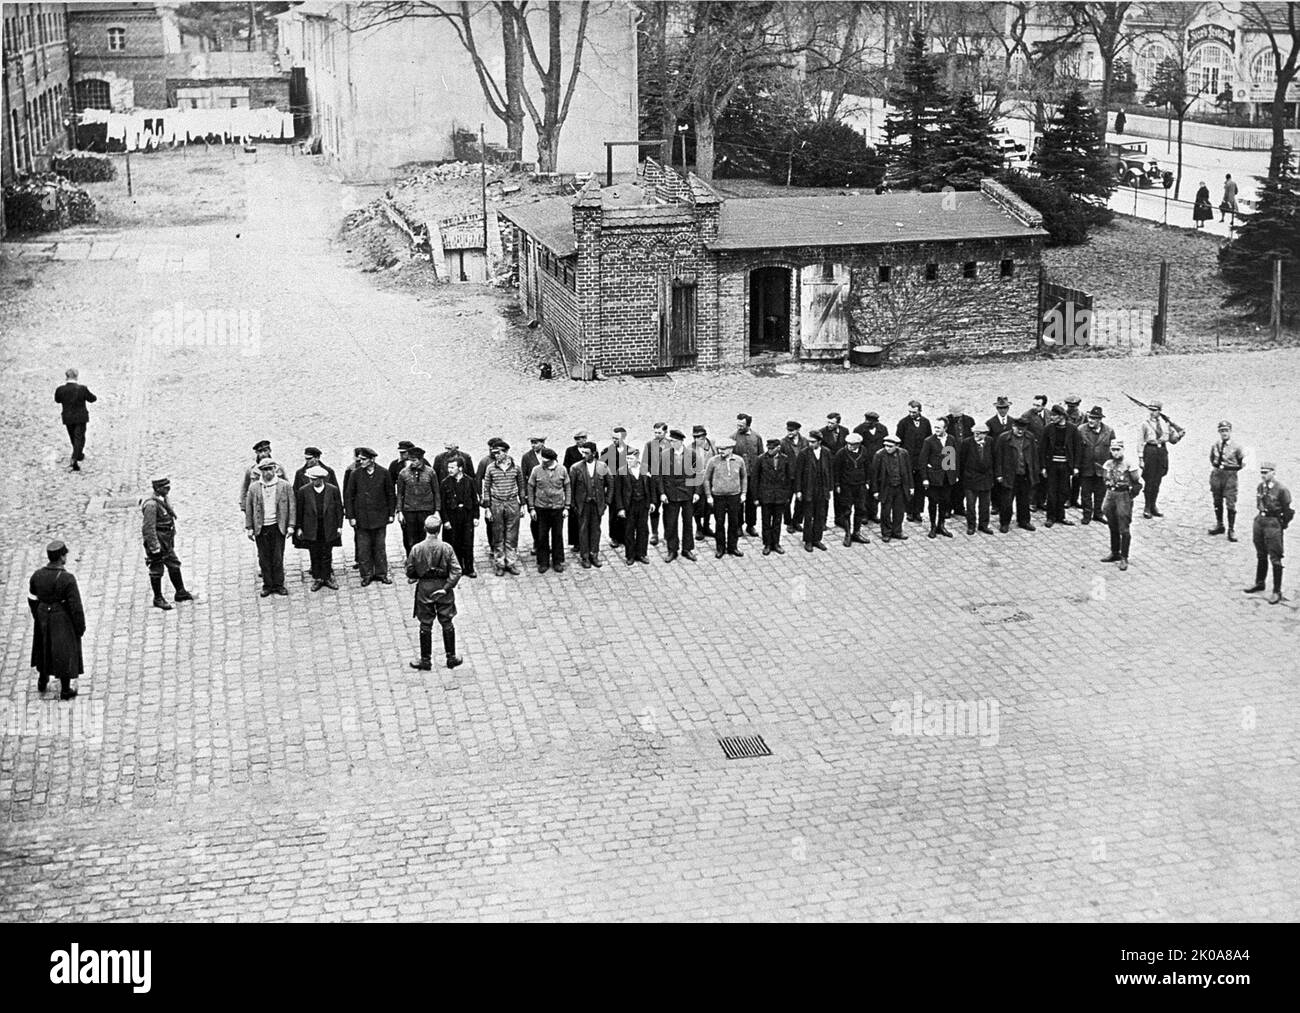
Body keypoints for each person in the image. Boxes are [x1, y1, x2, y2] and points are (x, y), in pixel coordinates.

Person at [28, 539, 85, 699]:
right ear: (61, 557)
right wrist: (80, 627)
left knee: (43, 646)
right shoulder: (67, 579)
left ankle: (42, 679)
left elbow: (32, 597)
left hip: (42, 615)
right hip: (61, 618)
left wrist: (38, 614)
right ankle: (65, 689)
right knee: (63, 650)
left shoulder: (37, 575)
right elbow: (76, 607)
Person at [405, 516, 463, 671]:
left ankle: (425, 660)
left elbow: (409, 570)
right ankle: (451, 658)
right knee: (447, 622)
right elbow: (457, 570)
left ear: (425, 529)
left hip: (425, 588)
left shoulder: (417, 549)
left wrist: (416, 576)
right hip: (443, 587)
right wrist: (446, 587)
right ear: (439, 530)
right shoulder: (447, 548)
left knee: (425, 623)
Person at [141, 473, 194, 610]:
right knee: (156, 569)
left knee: (174, 564)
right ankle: (158, 598)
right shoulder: (151, 505)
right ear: (158, 488)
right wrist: (154, 547)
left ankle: (180, 591)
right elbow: (148, 528)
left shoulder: (162, 499)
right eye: (165, 487)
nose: (168, 489)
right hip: (158, 541)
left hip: (166, 540)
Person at [345, 448, 396, 586]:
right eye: (359, 459)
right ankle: (366, 574)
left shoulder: (384, 473)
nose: (360, 461)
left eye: (363, 459)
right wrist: (351, 516)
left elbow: (391, 494)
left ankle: (381, 573)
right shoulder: (355, 474)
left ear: (372, 460)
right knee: (364, 549)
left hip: (380, 518)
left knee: (380, 547)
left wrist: (391, 513)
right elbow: (349, 496)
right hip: (362, 518)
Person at [1244, 462, 1293, 604]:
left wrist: (1281, 524)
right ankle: (1260, 582)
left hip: (1273, 523)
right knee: (1260, 553)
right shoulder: (1260, 486)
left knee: (1275, 557)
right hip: (1260, 521)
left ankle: (1277, 591)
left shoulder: (1281, 489)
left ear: (1273, 473)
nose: (1263, 475)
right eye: (1261, 472)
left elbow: (1288, 511)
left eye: (1266, 472)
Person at [245, 458, 295, 597]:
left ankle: (279, 584)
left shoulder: (284, 486)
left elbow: (292, 506)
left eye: (270, 469)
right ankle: (268, 584)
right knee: (264, 558)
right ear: (261, 471)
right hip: (261, 527)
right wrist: (249, 527)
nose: (268, 473)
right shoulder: (254, 487)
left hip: (277, 526)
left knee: (277, 557)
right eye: (265, 470)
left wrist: (291, 525)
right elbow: (249, 508)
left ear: (275, 469)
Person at [295, 465, 343, 591]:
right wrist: (299, 527)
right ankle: (318, 578)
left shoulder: (332, 490)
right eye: (311, 479)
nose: (313, 482)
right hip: (312, 528)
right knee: (314, 553)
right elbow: (299, 511)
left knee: (327, 552)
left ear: (321, 479)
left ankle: (327, 577)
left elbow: (339, 509)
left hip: (328, 526)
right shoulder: (303, 491)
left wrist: (339, 526)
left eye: (315, 479)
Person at [482, 440, 525, 576]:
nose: (496, 456)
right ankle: (500, 563)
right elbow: (486, 489)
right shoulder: (490, 468)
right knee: (498, 534)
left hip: (512, 503)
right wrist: (487, 508)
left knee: (512, 534)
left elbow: (521, 487)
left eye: (498, 453)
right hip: (496, 504)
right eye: (494, 453)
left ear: (506, 452)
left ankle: (511, 562)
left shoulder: (516, 468)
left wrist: (522, 505)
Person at [1100, 438, 1142, 571]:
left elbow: (1137, 483)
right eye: (1113, 450)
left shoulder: (1129, 464)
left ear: (1123, 450)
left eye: (1118, 450)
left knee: (1124, 526)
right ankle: (1115, 552)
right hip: (1110, 495)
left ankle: (1124, 556)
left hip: (1123, 496)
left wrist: (1129, 497)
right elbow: (1104, 479)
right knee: (1112, 524)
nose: (1115, 453)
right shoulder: (1107, 464)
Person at [526, 445, 569, 573]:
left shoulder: (562, 470)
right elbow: (530, 487)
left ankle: (557, 561)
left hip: (557, 509)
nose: (543, 463)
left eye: (546, 461)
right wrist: (532, 507)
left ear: (552, 460)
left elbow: (568, 488)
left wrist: (567, 507)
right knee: (542, 536)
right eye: (542, 460)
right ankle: (543, 562)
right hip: (541, 509)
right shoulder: (536, 470)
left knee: (557, 535)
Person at [656, 429, 697, 562]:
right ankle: (672, 550)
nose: (671, 443)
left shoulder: (692, 454)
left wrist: (696, 492)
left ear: (680, 442)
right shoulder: (665, 455)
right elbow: (659, 476)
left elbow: (698, 475)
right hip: (671, 494)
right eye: (670, 441)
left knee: (688, 523)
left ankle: (687, 549)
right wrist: (662, 493)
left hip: (687, 494)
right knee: (671, 523)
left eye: (673, 441)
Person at [1139, 401, 1184, 518]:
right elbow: (1140, 441)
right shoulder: (1145, 424)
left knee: (1158, 480)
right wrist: (1140, 458)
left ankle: (1153, 505)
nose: (1152, 412)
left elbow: (1172, 440)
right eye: (1150, 410)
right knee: (1149, 480)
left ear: (1159, 411)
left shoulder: (1165, 424)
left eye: (1154, 410)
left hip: (1162, 452)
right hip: (1150, 451)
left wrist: (1180, 434)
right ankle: (1147, 507)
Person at [569, 440, 611, 568]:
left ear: (594, 453)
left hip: (597, 504)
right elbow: (570, 487)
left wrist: (607, 502)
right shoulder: (576, 468)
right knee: (583, 530)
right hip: (583, 505)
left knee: (596, 530)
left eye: (587, 453)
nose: (584, 455)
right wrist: (573, 505)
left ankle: (594, 554)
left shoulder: (602, 467)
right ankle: (585, 556)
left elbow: (610, 484)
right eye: (583, 453)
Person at [703, 438, 747, 558]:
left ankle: (733, 547)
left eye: (724, 449)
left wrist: (743, 493)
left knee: (734, 522)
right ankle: (720, 548)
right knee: (719, 523)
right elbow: (706, 479)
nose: (721, 451)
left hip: (734, 496)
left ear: (731, 449)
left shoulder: (739, 461)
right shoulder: (713, 461)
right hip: (718, 497)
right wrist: (708, 496)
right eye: (719, 449)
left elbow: (744, 478)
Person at [995, 414, 1038, 533]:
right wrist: (999, 474)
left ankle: (1024, 521)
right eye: (1018, 428)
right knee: (1007, 501)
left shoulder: (1030, 437)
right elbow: (998, 457)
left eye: (1023, 429)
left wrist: (1034, 473)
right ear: (1013, 427)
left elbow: (1034, 457)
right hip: (1009, 475)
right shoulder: (1003, 438)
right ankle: (1004, 523)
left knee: (1024, 500)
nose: (1020, 431)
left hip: (1024, 474)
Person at [794, 428, 834, 552]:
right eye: (809, 441)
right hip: (808, 490)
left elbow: (830, 470)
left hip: (822, 490)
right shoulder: (804, 453)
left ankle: (817, 539)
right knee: (808, 516)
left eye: (813, 442)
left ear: (819, 442)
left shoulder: (826, 452)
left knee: (820, 516)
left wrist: (829, 488)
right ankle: (808, 540)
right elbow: (798, 473)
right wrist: (798, 491)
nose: (810, 444)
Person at [396, 447, 441, 555]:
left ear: (421, 459)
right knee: (409, 539)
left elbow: (436, 492)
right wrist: (399, 511)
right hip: (409, 511)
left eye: (414, 460)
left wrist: (437, 510)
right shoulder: (403, 473)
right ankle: (411, 560)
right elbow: (399, 494)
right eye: (410, 460)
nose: (412, 463)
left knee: (426, 537)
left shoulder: (431, 472)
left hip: (426, 511)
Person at [919, 416, 958, 539]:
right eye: (935, 427)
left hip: (947, 478)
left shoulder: (951, 439)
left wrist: (955, 475)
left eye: (939, 427)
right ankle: (932, 526)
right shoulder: (929, 441)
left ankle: (941, 525)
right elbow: (922, 461)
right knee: (933, 502)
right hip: (934, 478)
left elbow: (955, 458)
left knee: (945, 502)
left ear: (945, 428)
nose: (936, 429)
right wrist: (925, 478)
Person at [1040, 404, 1079, 527]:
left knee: (1063, 491)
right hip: (1052, 465)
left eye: (1055, 415)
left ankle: (1061, 516)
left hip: (1066, 466)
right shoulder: (1048, 429)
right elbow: (1042, 449)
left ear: (1062, 416)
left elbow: (1077, 449)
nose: (1052, 417)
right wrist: (1043, 467)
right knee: (1051, 491)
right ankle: (1050, 517)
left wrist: (1076, 466)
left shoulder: (1072, 429)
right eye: (1052, 415)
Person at [440, 456, 479, 578]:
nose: (449, 470)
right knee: (453, 542)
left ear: (460, 468)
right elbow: (442, 504)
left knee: (467, 542)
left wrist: (476, 517)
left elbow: (474, 500)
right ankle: (455, 568)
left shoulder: (470, 481)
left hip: (466, 516)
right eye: (448, 467)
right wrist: (445, 520)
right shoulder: (445, 483)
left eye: (452, 467)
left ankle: (469, 568)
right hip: (452, 517)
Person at [1076, 406, 1115, 525]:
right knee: (1085, 493)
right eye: (1090, 417)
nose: (1091, 420)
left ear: (1100, 420)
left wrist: (1112, 467)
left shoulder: (1109, 431)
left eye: (1094, 418)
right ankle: (1086, 514)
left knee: (1100, 493)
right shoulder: (1081, 430)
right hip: (1086, 467)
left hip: (1102, 468)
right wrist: (1076, 466)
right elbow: (1077, 450)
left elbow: (1113, 450)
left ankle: (1098, 514)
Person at [869, 434, 912, 543]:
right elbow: (874, 475)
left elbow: (908, 471)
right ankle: (886, 532)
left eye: (890, 446)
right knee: (885, 512)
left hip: (900, 487)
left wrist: (911, 486)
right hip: (886, 488)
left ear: (897, 446)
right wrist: (875, 490)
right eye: (886, 446)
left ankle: (897, 531)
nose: (887, 448)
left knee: (899, 511)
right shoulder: (879, 455)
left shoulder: (904, 454)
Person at [614, 445, 653, 565]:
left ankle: (641, 553)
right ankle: (630, 555)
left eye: (631, 459)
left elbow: (651, 488)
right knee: (629, 530)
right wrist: (620, 508)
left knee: (643, 529)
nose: (628, 461)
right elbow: (618, 492)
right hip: (629, 505)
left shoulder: (645, 469)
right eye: (627, 459)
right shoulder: (621, 471)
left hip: (643, 504)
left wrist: (652, 502)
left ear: (637, 458)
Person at [1208, 420, 1245, 540]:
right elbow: (1212, 458)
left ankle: (1231, 529)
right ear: (1219, 432)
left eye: (1226, 430)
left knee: (1230, 502)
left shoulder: (1237, 447)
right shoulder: (1215, 445)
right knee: (1217, 501)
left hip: (1230, 476)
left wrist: (1232, 471)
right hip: (1217, 475)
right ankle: (1220, 525)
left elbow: (1243, 462)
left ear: (1230, 431)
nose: (1224, 433)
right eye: (1222, 431)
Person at [755, 437, 793, 555]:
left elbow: (788, 478)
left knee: (777, 521)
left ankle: (776, 543)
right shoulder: (761, 459)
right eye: (768, 448)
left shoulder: (785, 459)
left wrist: (787, 495)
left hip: (780, 496)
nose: (769, 450)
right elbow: (755, 480)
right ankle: (767, 544)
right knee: (766, 521)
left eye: (772, 448)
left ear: (778, 448)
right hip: (766, 496)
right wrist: (756, 498)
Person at [54, 368, 96, 471]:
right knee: (80, 437)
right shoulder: (82, 389)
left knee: (73, 437)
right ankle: (75, 457)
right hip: (80, 417)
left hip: (68, 417)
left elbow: (57, 400)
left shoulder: (60, 389)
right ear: (76, 377)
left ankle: (78, 454)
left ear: (66, 377)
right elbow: (92, 399)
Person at [834, 432, 871, 546]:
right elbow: (836, 470)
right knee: (847, 510)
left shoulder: (864, 451)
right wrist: (837, 485)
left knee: (860, 509)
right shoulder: (841, 453)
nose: (850, 446)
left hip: (860, 486)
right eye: (848, 444)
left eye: (853, 444)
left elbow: (868, 467)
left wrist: (867, 482)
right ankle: (848, 534)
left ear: (858, 444)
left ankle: (857, 532)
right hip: (846, 486)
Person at [896, 400, 931, 523]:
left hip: (921, 460)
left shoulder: (926, 423)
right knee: (908, 485)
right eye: (910, 412)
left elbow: (929, 440)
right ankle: (909, 511)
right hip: (908, 460)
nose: (911, 414)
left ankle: (918, 511)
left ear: (920, 411)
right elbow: (898, 442)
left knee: (920, 486)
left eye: (914, 412)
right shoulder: (903, 423)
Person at [732, 413, 764, 537]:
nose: (739, 427)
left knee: (752, 501)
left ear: (748, 425)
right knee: (739, 502)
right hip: (739, 476)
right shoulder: (733, 438)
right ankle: (738, 525)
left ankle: (751, 525)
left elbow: (761, 456)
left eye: (742, 425)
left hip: (753, 476)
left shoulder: (757, 438)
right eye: (738, 425)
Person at [960, 423, 996, 535]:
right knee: (970, 505)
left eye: (979, 434)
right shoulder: (967, 442)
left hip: (986, 479)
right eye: (975, 433)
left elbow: (994, 458)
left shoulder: (990, 441)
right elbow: (961, 460)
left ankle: (983, 525)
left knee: (985, 505)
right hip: (971, 478)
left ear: (985, 434)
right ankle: (971, 525)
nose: (977, 435)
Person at [853, 411, 889, 520]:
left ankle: (873, 513)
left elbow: (885, 445)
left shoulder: (882, 429)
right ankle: (863, 514)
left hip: (879, 463)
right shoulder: (859, 430)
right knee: (864, 490)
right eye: (866, 420)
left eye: (870, 421)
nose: (867, 423)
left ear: (876, 422)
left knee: (876, 487)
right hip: (865, 464)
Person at [239, 440, 285, 524]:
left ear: (270, 451)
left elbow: (287, 487)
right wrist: (245, 508)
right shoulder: (251, 470)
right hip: (258, 507)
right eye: (260, 451)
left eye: (265, 450)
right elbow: (245, 489)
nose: (263, 454)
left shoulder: (278, 468)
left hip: (276, 507)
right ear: (256, 453)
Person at [643, 423, 671, 547]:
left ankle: (667, 533)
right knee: (654, 507)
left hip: (667, 482)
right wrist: (649, 472)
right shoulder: (650, 445)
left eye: (659, 432)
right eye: (655, 432)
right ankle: (654, 533)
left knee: (668, 509)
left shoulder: (671, 444)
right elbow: (645, 462)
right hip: (654, 481)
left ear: (665, 432)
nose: (657, 435)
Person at [520, 435, 547, 556]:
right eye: (532, 443)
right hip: (534, 493)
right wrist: (525, 494)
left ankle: (546, 543)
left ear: (543, 443)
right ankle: (537, 543)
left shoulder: (548, 453)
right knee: (535, 520)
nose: (533, 445)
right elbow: (523, 477)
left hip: (547, 493)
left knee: (547, 520)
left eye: (536, 443)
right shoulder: (527, 457)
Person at [689, 425, 717, 540]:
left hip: (711, 481)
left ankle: (707, 526)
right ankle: (699, 528)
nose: (697, 440)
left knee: (709, 505)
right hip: (698, 482)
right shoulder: (690, 449)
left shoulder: (712, 445)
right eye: (695, 437)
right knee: (697, 506)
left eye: (699, 437)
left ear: (705, 436)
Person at [780, 421, 808, 532]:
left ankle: (797, 521)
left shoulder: (805, 442)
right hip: (788, 477)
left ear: (798, 430)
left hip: (802, 476)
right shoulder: (783, 443)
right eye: (788, 430)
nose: (789, 433)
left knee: (800, 500)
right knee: (787, 500)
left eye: (791, 431)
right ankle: (788, 522)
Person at [604, 427, 629, 549]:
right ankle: (614, 536)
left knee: (626, 510)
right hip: (613, 486)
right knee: (613, 513)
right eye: (612, 438)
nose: (614, 440)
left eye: (617, 438)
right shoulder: (607, 452)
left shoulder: (630, 451)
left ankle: (625, 535)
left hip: (626, 486)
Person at [563, 430, 588, 549]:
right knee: (574, 515)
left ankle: (586, 540)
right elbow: (566, 467)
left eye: (582, 438)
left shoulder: (590, 450)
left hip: (586, 486)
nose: (579, 441)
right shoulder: (570, 451)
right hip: (574, 486)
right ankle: (576, 541)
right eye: (577, 439)